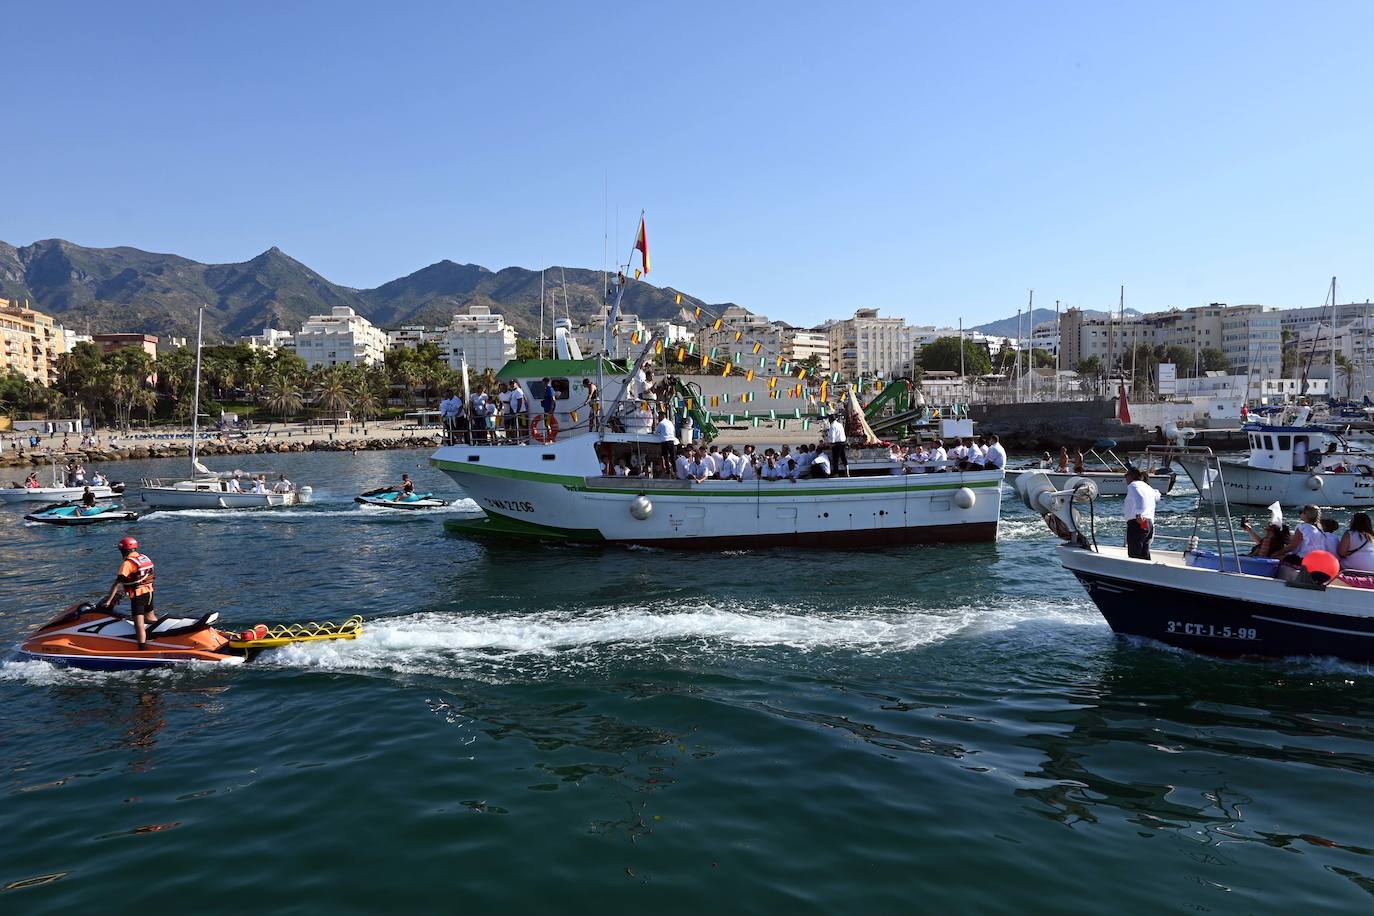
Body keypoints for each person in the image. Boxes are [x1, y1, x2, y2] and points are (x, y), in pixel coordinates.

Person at [98, 536, 157, 650]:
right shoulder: (144, 557)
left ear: (123, 550)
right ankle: (161, 634)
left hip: (138, 595)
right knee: (150, 617)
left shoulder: (127, 563)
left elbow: (117, 583)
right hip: (149, 592)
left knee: (138, 624)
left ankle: (142, 648)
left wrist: (109, 601)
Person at [1123, 467, 1157, 560]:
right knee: (1144, 552)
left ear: (1132, 476)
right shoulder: (1148, 487)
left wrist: (1139, 513)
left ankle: (1134, 572)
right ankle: (1147, 571)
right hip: (1148, 522)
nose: (1125, 478)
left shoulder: (1133, 485)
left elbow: (1140, 497)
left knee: (1134, 553)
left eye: (1126, 475)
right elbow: (1157, 496)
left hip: (1137, 522)